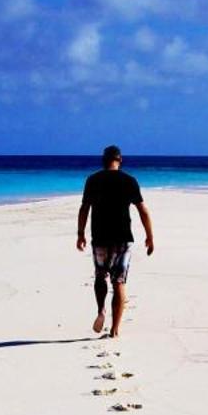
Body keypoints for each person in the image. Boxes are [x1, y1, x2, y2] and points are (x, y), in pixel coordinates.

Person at [76, 145, 153, 338]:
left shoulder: (93, 180)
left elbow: (84, 209)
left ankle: (101, 309)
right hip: (123, 238)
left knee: (100, 276)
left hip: (100, 237)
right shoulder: (129, 181)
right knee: (119, 282)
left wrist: (80, 234)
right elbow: (143, 211)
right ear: (120, 160)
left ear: (103, 160)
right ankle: (114, 329)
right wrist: (150, 236)